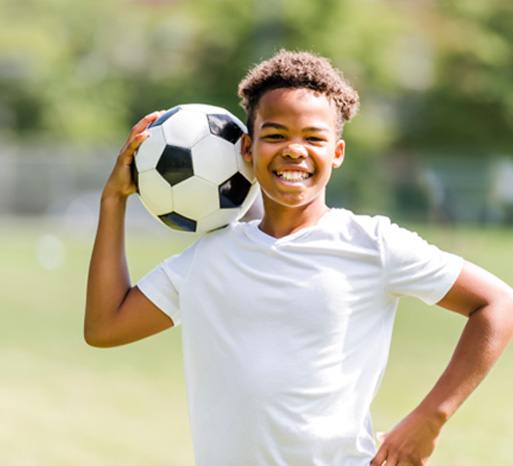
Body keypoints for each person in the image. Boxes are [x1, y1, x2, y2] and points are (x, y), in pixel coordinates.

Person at [84, 50, 513, 466]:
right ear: (247, 151)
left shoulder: (372, 244)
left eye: (313, 138)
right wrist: (113, 201)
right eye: (275, 135)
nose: (294, 150)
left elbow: (498, 304)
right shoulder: (209, 258)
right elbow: (105, 326)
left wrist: (429, 419)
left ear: (337, 153)